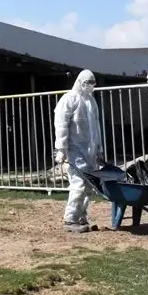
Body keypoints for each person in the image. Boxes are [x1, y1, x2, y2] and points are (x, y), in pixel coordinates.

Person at [53, 69, 103, 233]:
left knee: (89, 185)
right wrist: (61, 148)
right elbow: (61, 124)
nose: (90, 86)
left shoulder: (91, 101)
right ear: (80, 82)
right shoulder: (69, 99)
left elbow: (96, 127)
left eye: (92, 83)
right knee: (78, 183)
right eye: (87, 83)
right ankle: (70, 218)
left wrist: (99, 148)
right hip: (75, 149)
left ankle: (81, 216)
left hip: (90, 151)